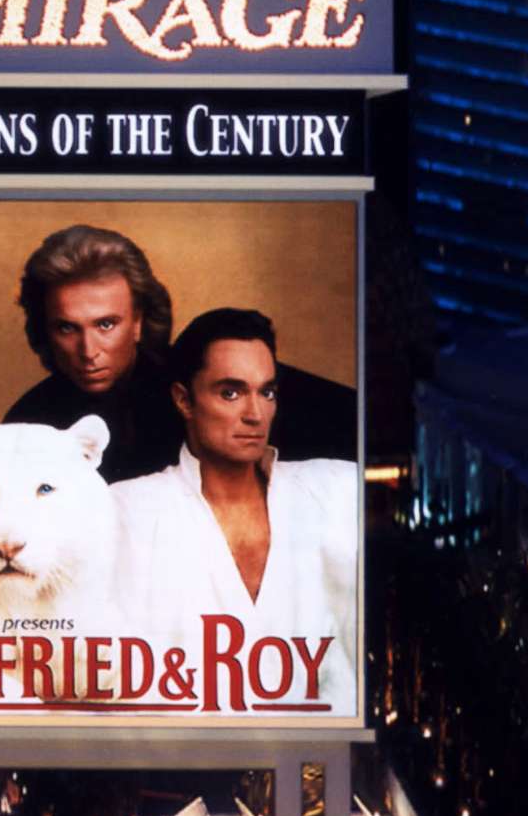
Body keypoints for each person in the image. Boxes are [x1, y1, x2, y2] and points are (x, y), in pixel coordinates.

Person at [112, 307, 357, 717]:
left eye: (267, 392)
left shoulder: (334, 490)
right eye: (231, 392)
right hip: (184, 766)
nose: (255, 414)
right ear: (184, 400)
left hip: (321, 760)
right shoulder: (129, 510)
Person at [2, 225, 183, 483]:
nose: (88, 351)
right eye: (67, 328)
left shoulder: (189, 399)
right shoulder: (27, 419)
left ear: (138, 322)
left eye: (105, 324)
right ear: (45, 329)